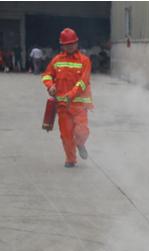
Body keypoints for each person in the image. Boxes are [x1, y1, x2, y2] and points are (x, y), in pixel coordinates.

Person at [41, 28, 93, 168]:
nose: (70, 46)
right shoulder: (56, 60)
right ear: (62, 45)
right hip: (62, 106)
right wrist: (50, 86)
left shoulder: (85, 61)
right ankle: (70, 159)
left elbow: (83, 82)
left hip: (79, 105)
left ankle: (80, 143)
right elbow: (46, 75)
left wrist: (69, 95)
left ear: (77, 43)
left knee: (82, 131)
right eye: (67, 44)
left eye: (72, 43)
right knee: (66, 135)